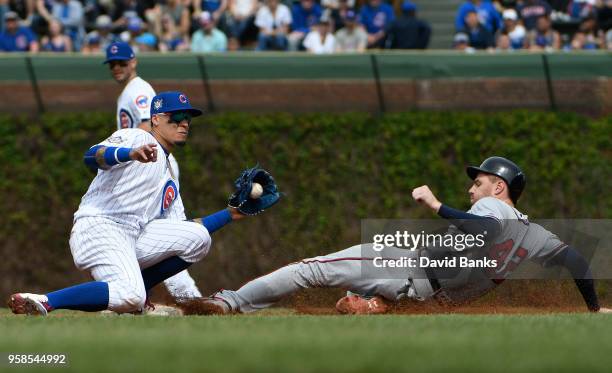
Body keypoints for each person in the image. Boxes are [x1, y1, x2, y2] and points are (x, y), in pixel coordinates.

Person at [181, 156, 612, 315]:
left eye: (478, 183)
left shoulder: (493, 207)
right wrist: (593, 309)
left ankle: (229, 302)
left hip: (405, 261)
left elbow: (485, 228)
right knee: (346, 294)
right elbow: (577, 262)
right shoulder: (535, 234)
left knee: (309, 270)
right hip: (426, 295)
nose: (472, 188)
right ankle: (375, 305)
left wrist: (437, 205)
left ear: (499, 188)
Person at [7, 91, 261, 316]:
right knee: (131, 295)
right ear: (156, 119)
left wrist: (230, 214)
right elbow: (91, 156)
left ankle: (137, 291)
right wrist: (127, 153)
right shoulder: (135, 136)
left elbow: (181, 227)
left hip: (133, 235)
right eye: (176, 116)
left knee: (199, 239)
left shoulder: (169, 176)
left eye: (188, 118)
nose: (184, 122)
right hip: (100, 225)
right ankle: (45, 300)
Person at [103, 42, 203, 302]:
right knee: (164, 237)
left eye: (122, 62)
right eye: (112, 63)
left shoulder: (139, 90)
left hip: (152, 168)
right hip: (150, 167)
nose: (116, 67)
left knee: (166, 238)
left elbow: (151, 126)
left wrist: (144, 167)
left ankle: (188, 299)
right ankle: (182, 299)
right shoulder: (129, 91)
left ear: (134, 61)